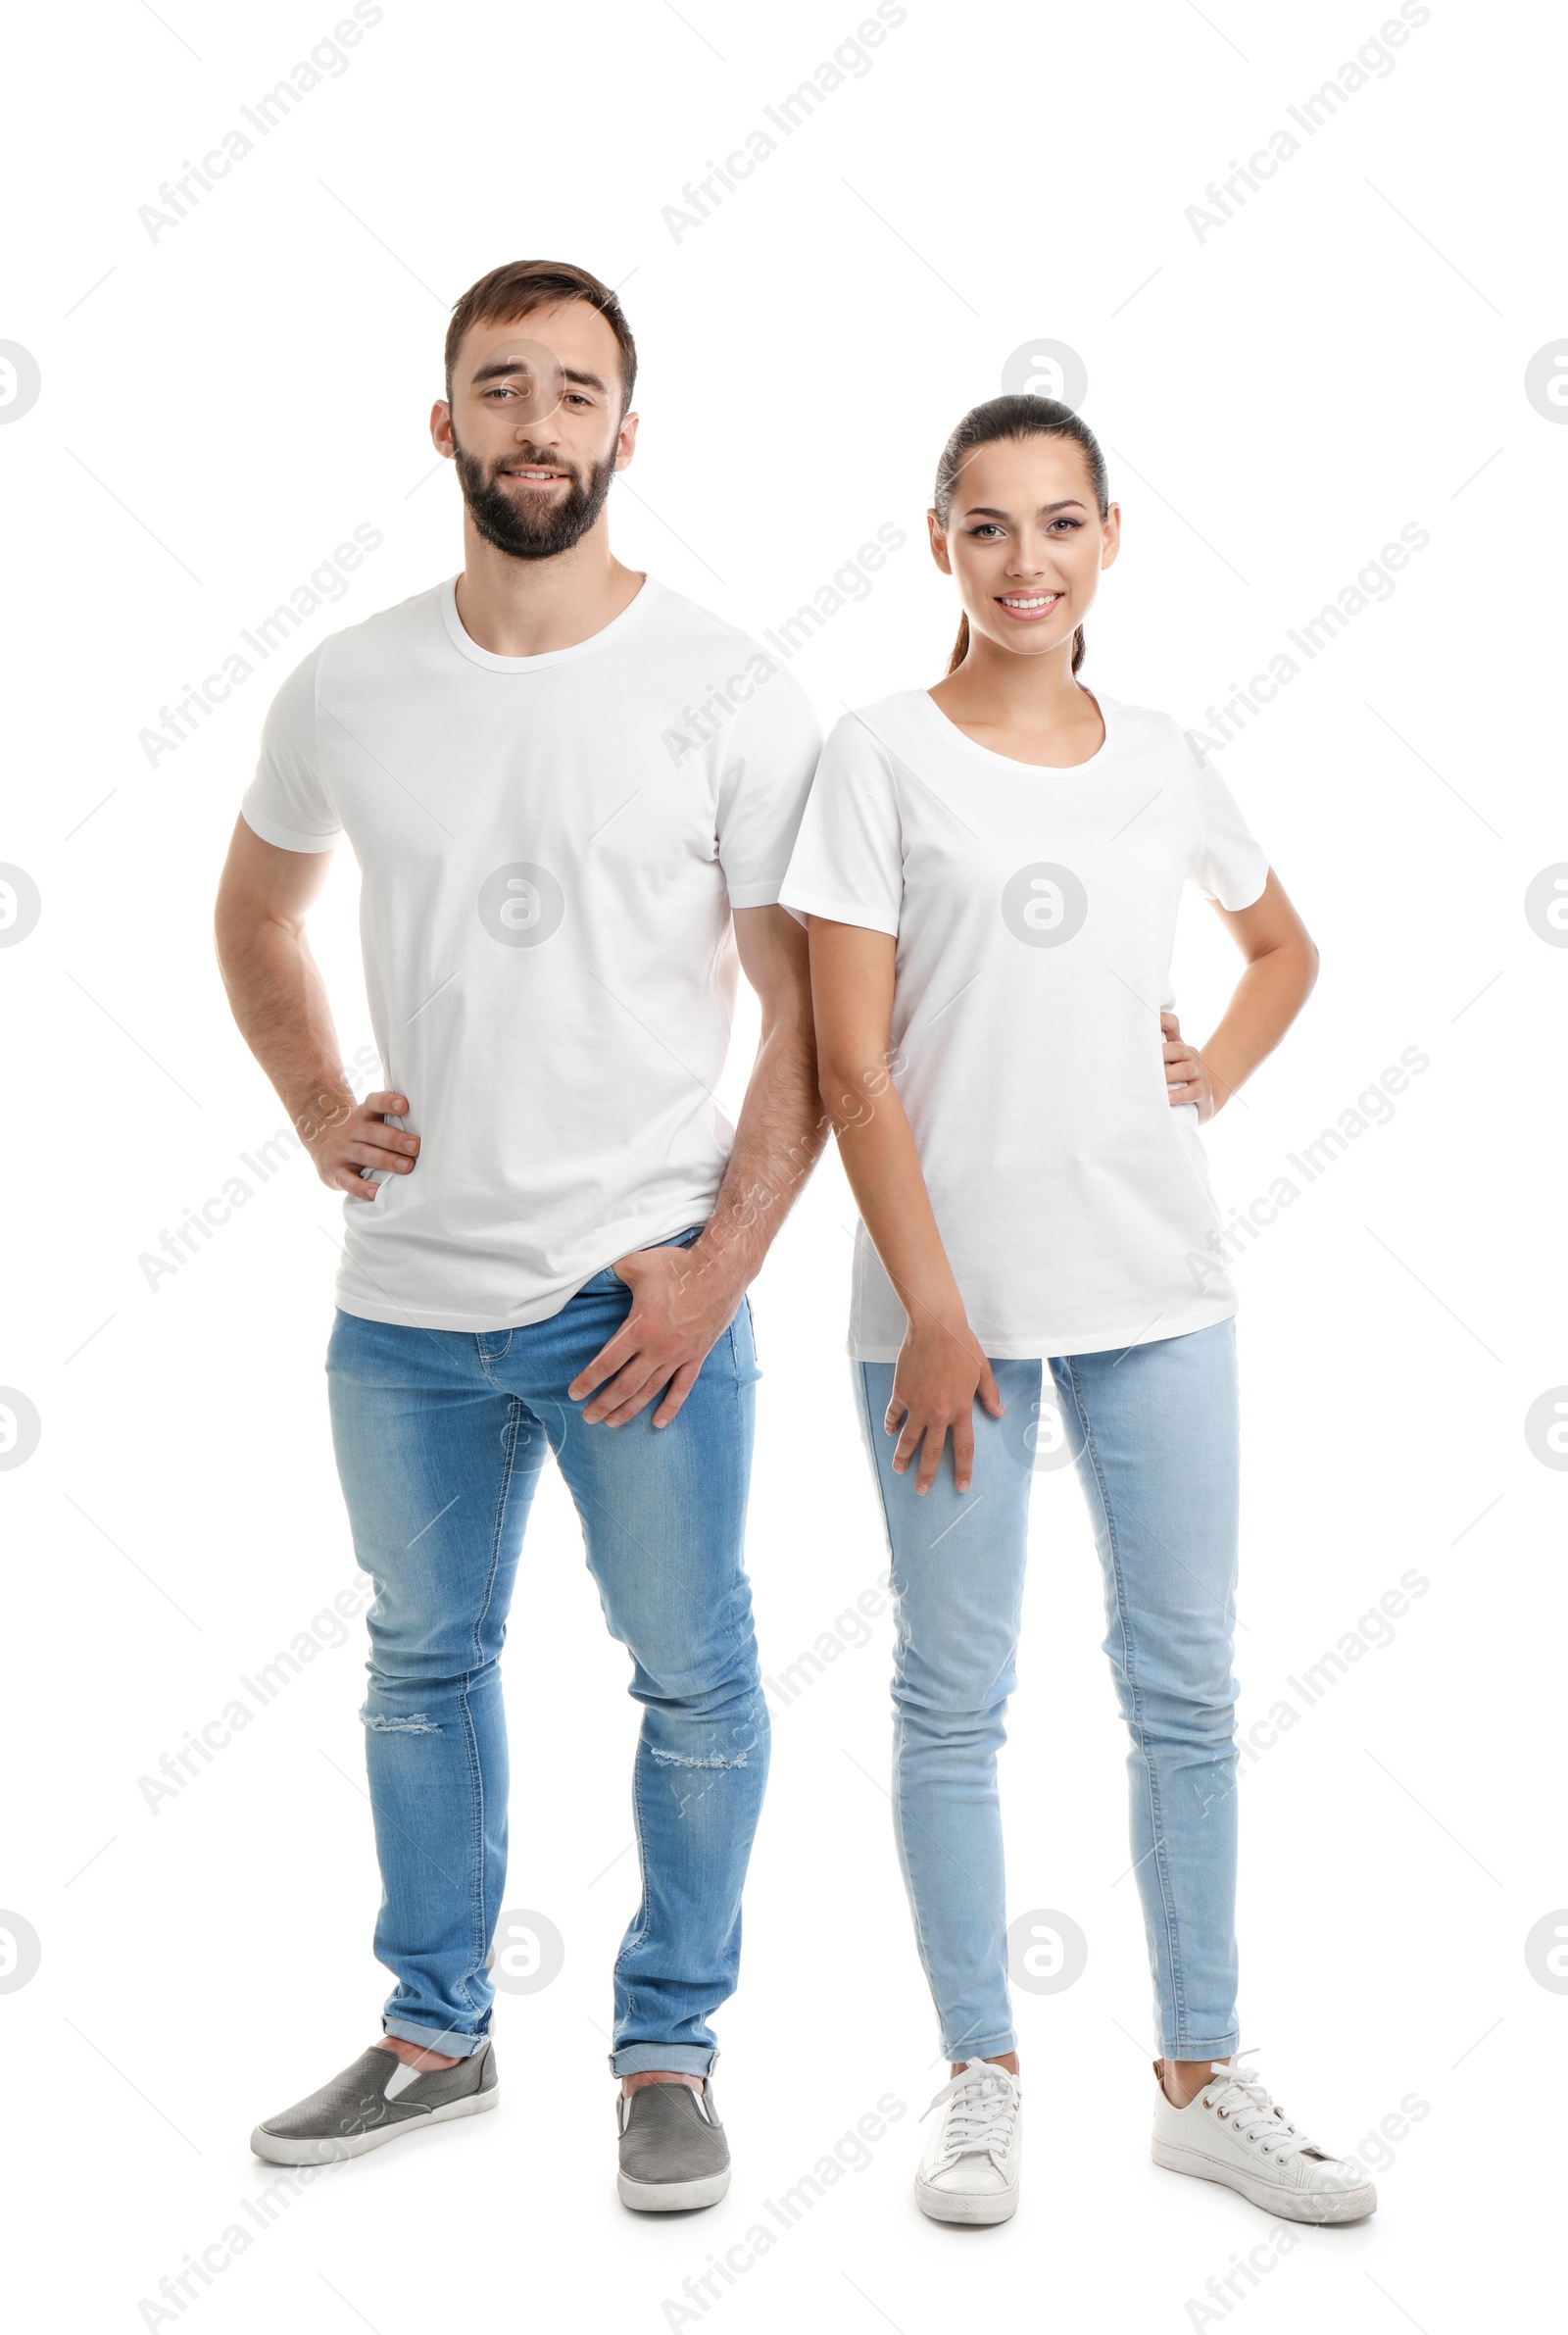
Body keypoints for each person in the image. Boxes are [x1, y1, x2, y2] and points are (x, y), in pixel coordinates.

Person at [214, 259, 826, 2208]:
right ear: (444, 424)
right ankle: (433, 2038)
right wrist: (323, 1110)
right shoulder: (352, 684)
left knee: (692, 1677)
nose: (537, 425)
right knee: (416, 1666)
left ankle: (665, 2051)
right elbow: (255, 911)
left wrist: (717, 1267)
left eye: (575, 394)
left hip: (633, 1296)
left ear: (623, 436)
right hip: (401, 1308)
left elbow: (809, 1021)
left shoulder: (729, 690)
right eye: (502, 388)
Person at [780, 393, 1373, 2228]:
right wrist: (938, 1305)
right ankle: (980, 2076)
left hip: (1159, 1287)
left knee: (1185, 1684)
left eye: (1059, 524)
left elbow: (1284, 952)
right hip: (939, 1313)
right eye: (987, 528)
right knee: (954, 1697)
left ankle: (1203, 2072)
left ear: (1113, 538)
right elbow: (849, 1060)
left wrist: (1201, 1077)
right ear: (938, 546)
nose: (1024, 561)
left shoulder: (1169, 756)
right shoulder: (876, 755)